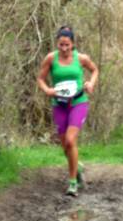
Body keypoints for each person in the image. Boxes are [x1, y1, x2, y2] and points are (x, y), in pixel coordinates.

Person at [37, 26, 99, 196]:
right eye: (61, 45)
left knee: (71, 140)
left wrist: (90, 83)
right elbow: (40, 79)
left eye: (67, 45)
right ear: (57, 44)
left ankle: (72, 183)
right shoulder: (51, 58)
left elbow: (94, 70)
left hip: (78, 102)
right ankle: (77, 167)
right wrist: (48, 90)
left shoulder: (81, 58)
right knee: (65, 145)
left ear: (73, 44)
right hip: (59, 104)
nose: (64, 48)